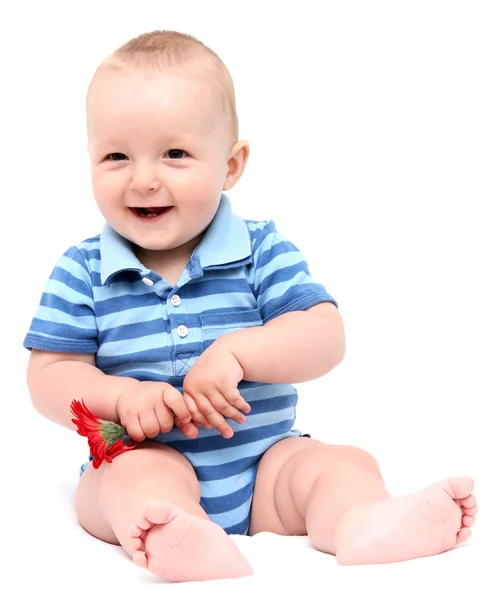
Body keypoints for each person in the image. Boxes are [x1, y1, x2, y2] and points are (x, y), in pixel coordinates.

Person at [24, 30, 477, 583]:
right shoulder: (82, 270)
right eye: (116, 156)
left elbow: (324, 335)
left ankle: (361, 523)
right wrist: (120, 396)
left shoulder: (261, 250)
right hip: (146, 456)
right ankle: (176, 533)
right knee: (120, 484)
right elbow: (49, 376)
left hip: (266, 462)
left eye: (175, 154)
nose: (144, 178)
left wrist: (242, 351)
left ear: (231, 165)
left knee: (339, 464)